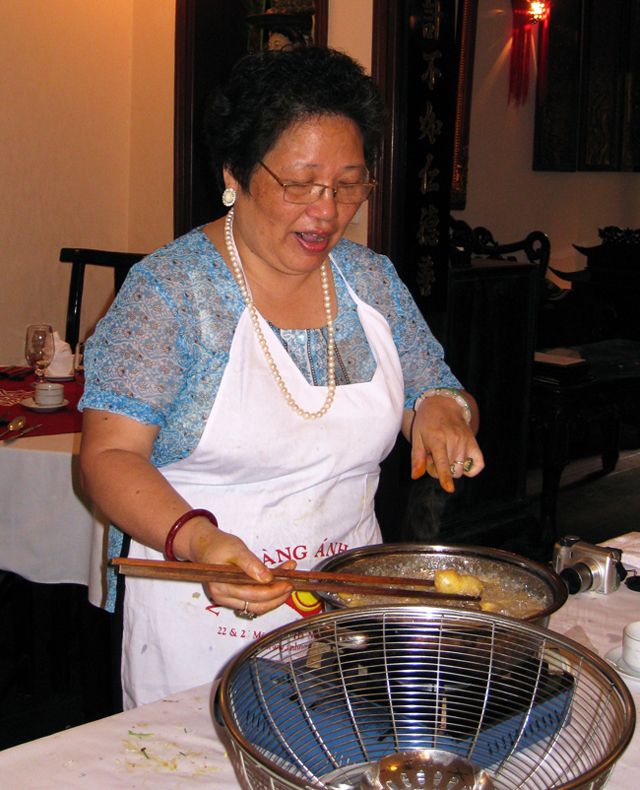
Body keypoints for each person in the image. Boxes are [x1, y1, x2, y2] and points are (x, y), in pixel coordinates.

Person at [79, 46, 484, 709]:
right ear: (235, 173)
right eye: (300, 183)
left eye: (350, 183)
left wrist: (443, 409)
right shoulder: (172, 293)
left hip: (346, 615)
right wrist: (199, 540)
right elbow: (108, 457)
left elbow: (434, 389)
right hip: (202, 616)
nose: (327, 210)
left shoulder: (369, 281)